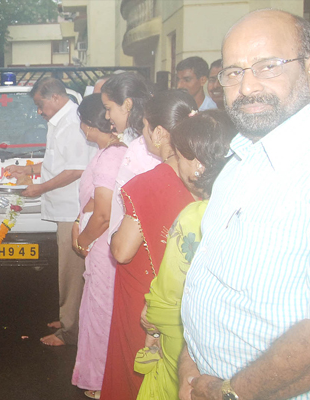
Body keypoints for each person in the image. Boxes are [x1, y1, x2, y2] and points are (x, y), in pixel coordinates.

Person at [180, 10, 310, 400]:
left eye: (268, 66)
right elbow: (213, 279)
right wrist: (190, 362)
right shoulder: (238, 160)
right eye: (233, 72)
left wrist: (231, 392)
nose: (247, 86)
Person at [100, 90, 197, 400]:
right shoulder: (203, 175)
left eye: (143, 127)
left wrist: (116, 230)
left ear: (158, 133)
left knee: (138, 371)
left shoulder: (147, 184)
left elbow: (122, 251)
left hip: (144, 296)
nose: (141, 135)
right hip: (187, 292)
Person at [135, 110, 236, 400]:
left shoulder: (195, 217)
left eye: (178, 157)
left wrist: (152, 325)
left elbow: (172, 287)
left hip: (185, 339)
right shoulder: (243, 209)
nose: (175, 166)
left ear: (199, 165)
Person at [6, 77, 96, 347]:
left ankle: (69, 331)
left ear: (55, 98)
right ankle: (68, 316)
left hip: (72, 209)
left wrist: (40, 187)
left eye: (40, 104)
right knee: (70, 271)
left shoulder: (71, 124)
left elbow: (76, 169)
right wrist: (30, 170)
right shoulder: (60, 121)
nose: (39, 111)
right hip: (64, 207)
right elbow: (59, 162)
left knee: (71, 272)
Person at [70, 95, 127, 395]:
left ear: (89, 125)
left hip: (103, 245)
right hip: (100, 243)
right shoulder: (110, 152)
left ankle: (103, 383)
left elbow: (104, 214)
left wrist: (82, 238)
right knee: (96, 311)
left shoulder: (110, 156)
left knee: (101, 314)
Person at [101, 73, 159, 243]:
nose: (106, 116)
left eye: (108, 108)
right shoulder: (142, 139)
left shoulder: (140, 146)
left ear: (127, 104)